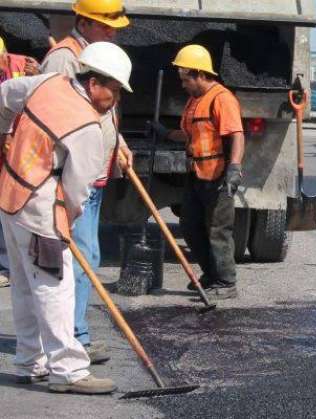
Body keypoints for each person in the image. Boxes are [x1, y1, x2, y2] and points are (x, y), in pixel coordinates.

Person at [0, 42, 132, 394]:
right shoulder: (86, 126)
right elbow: (77, 191)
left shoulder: (48, 82)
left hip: (10, 192)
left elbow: (5, 94)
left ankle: (31, 361)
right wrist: (66, 223)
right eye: (114, 90)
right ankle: (68, 371)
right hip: (41, 204)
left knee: (26, 284)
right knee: (55, 286)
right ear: (94, 84)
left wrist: (3, 135)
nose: (115, 99)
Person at [40, 0, 132, 364]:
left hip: (95, 173)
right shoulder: (65, 59)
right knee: (77, 258)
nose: (112, 31)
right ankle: (72, 337)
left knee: (86, 256)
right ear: (82, 21)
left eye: (114, 25)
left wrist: (118, 143)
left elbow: (103, 111)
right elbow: (53, 113)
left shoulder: (96, 54)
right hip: (72, 176)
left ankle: (73, 334)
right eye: (104, 24)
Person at [150, 45, 245, 300]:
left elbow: (236, 135)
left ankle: (226, 283)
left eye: (185, 79)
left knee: (218, 229)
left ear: (200, 74)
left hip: (219, 176)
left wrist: (234, 169)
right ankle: (211, 274)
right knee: (190, 226)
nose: (182, 85)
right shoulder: (195, 101)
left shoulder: (221, 99)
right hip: (196, 173)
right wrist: (166, 133)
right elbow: (193, 133)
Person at [0, 35, 40, 288]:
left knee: (7, 205)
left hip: (16, 146)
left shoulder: (22, 65)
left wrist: (38, 72)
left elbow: (45, 92)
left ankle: (7, 264)